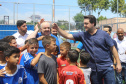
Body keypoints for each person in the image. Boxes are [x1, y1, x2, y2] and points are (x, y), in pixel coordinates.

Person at [52, 15, 122, 84]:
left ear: (93, 23)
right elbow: (67, 35)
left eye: (86, 23)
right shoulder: (82, 35)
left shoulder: (104, 34)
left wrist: (118, 63)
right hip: (94, 70)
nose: (84, 25)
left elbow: (113, 48)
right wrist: (58, 28)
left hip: (107, 68)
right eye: (84, 23)